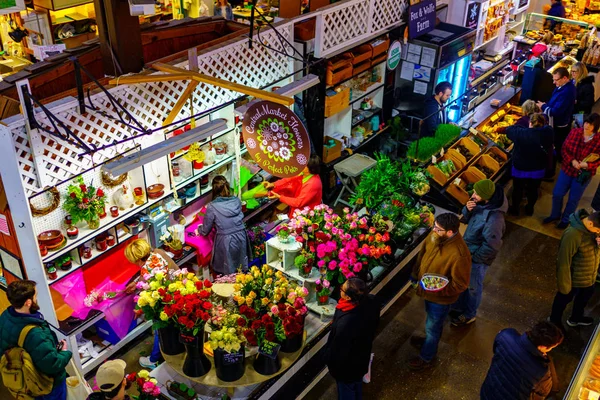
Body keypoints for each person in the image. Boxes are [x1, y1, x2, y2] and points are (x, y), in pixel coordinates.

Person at [409, 213, 471, 370]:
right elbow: (422, 254)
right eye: (434, 226)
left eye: (438, 228)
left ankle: (426, 357)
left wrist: (437, 290)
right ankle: (428, 341)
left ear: (450, 232)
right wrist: (416, 275)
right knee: (430, 321)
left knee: (434, 326)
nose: (434, 230)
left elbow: (460, 284)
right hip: (427, 292)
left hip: (440, 300)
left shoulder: (459, 254)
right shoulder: (436, 235)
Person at [0, 280, 73, 400]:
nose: (36, 298)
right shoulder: (35, 333)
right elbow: (52, 364)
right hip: (45, 384)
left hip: (24, 380)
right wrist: (65, 353)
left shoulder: (5, 316)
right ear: (28, 302)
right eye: (35, 296)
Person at [450, 179, 507, 327]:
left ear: (487, 197)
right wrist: (466, 210)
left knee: (473, 288)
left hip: (477, 259)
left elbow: (492, 245)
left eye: (476, 193)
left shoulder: (494, 219)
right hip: (469, 251)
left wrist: (475, 259)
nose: (473, 195)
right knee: (464, 282)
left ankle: (469, 315)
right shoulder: (483, 204)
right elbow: (467, 220)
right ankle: (459, 307)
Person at [124, 238, 178, 370]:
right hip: (180, 291)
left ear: (136, 259)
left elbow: (147, 296)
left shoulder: (145, 271)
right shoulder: (159, 252)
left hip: (167, 303)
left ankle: (154, 359)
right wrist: (137, 282)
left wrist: (139, 309)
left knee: (161, 329)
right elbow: (149, 271)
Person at [324, 278, 380, 400]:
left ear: (348, 297)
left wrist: (329, 359)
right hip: (361, 357)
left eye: (342, 289)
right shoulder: (371, 300)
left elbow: (338, 350)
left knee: (346, 390)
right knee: (356, 383)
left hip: (347, 367)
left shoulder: (346, 322)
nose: (340, 290)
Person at [480, 321, 563, 400]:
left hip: (488, 391)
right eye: (552, 347)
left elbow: (495, 349)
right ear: (543, 347)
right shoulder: (541, 370)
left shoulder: (506, 334)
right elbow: (544, 392)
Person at [543, 113, 600, 229]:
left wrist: (587, 165)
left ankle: (565, 220)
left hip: (583, 175)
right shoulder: (575, 132)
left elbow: (598, 160)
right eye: (586, 122)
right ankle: (555, 215)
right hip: (567, 169)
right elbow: (564, 149)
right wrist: (572, 161)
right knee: (557, 194)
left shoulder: (598, 141)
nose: (587, 126)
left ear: (596, 127)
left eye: (591, 124)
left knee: (573, 199)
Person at [549, 209, 600, 330]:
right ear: (591, 224)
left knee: (583, 299)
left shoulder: (592, 230)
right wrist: (564, 286)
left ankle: (576, 318)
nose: (599, 233)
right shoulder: (573, 234)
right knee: (562, 301)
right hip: (573, 280)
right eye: (598, 230)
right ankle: (554, 322)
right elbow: (563, 261)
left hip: (589, 277)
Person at [198, 175, 250, 275]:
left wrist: (199, 229)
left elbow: (205, 231)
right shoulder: (236, 200)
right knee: (241, 269)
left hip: (226, 241)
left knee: (228, 271)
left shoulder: (212, 206)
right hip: (242, 236)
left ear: (214, 190)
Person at [506, 113, 554, 216]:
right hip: (537, 169)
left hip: (520, 168)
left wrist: (519, 126)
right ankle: (529, 208)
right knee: (533, 190)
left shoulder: (521, 133)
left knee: (517, 188)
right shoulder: (548, 133)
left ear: (530, 123)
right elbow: (548, 127)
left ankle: (515, 208)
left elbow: (509, 129)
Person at [537, 67, 576, 167]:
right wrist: (547, 105)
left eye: (556, 80)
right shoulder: (563, 87)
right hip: (558, 122)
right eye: (553, 79)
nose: (554, 82)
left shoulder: (566, 92)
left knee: (555, 146)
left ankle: (552, 166)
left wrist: (543, 106)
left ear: (564, 78)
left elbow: (556, 112)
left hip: (559, 125)